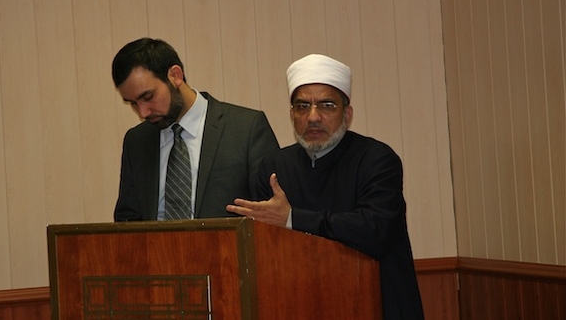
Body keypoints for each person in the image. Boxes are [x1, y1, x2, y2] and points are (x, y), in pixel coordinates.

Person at [226, 54, 424, 320]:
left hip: (376, 303)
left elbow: (374, 230)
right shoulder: (273, 167)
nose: (313, 117)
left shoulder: (377, 159)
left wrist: (292, 219)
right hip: (296, 304)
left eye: (327, 105)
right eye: (302, 106)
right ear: (292, 114)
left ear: (347, 113)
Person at [112, 38, 279, 222]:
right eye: (133, 103)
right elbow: (127, 221)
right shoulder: (137, 141)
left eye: (148, 96)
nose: (143, 112)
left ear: (175, 75)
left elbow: (272, 212)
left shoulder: (247, 129)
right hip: (157, 250)